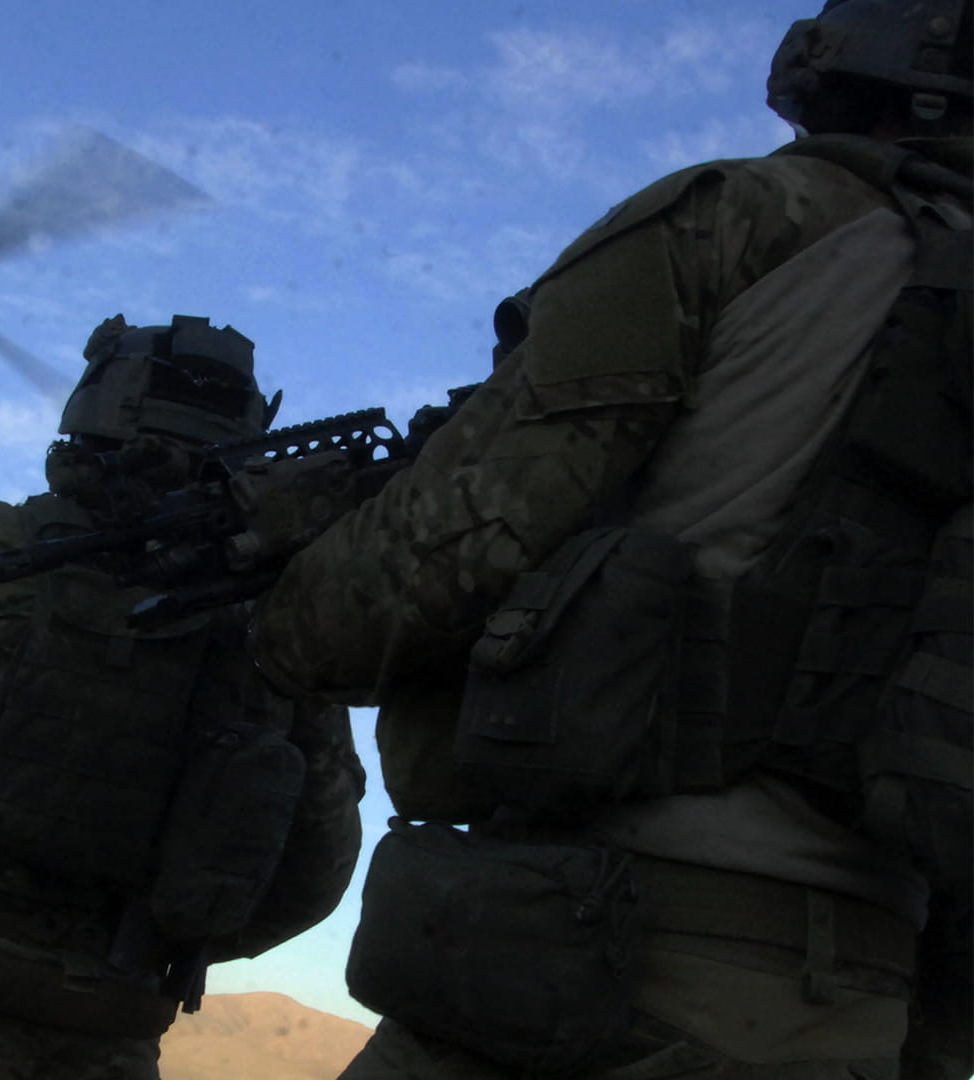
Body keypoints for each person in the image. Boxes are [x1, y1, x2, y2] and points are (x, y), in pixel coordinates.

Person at [248, 2, 970, 1078]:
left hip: (595, 963)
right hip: (864, 1008)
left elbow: (414, 575)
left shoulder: (749, 215)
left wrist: (277, 567)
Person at [0, 314, 367, 1080]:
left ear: (94, 405)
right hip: (114, 1017)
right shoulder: (278, 629)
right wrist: (157, 933)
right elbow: (314, 870)